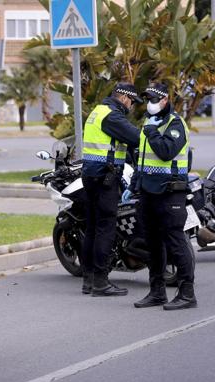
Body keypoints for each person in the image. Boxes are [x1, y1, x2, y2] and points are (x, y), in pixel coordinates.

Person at [124, 83, 196, 310]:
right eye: (147, 99)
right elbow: (143, 159)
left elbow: (166, 152)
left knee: (176, 242)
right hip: (148, 192)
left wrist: (153, 132)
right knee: (153, 245)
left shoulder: (175, 124)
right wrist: (134, 184)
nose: (150, 104)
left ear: (165, 100)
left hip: (170, 192)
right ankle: (157, 292)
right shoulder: (149, 122)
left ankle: (187, 294)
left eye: (154, 99)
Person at [81, 83, 142, 296]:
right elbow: (137, 138)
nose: (132, 106)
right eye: (133, 101)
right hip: (104, 178)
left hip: (90, 175)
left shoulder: (98, 111)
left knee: (92, 228)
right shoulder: (112, 117)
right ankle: (100, 282)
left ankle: (88, 281)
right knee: (105, 229)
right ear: (124, 97)